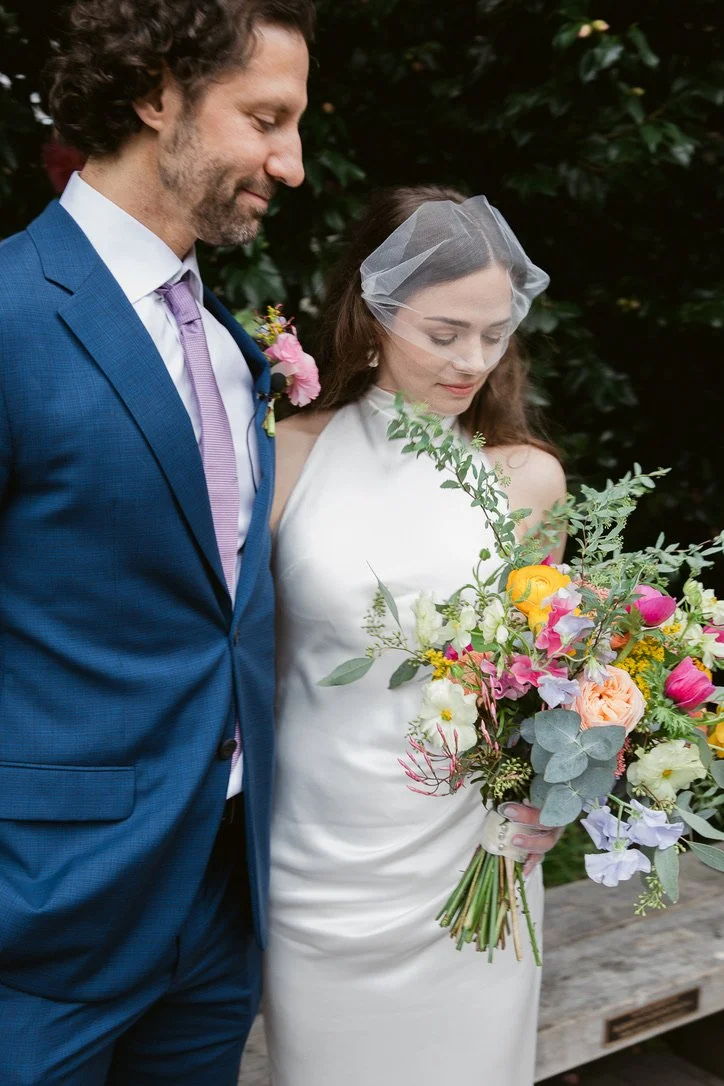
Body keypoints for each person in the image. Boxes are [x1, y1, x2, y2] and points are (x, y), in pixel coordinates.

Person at [0, 1, 312, 1083]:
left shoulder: (230, 347)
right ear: (157, 94)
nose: (294, 162)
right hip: (39, 930)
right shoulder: (7, 316)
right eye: (267, 118)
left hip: (216, 914)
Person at [265, 185, 566, 1086]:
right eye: (444, 333)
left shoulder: (526, 480)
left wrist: (555, 786)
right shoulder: (288, 456)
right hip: (315, 870)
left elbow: (549, 676)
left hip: (472, 870)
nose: (474, 358)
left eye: (494, 330)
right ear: (374, 311)